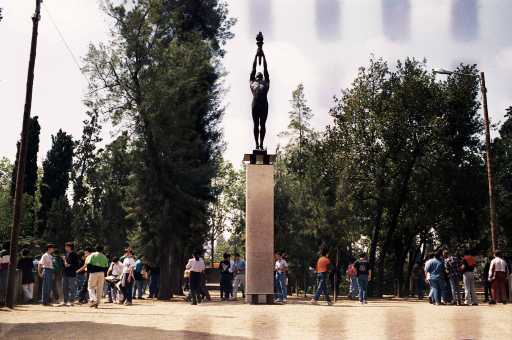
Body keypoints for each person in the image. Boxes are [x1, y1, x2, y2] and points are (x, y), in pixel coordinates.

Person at [249, 47, 270, 150]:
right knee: (256, 125)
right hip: (255, 105)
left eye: (261, 74)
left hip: (264, 105)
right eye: (258, 74)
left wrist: (264, 55)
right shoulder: (252, 82)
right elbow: (253, 68)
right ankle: (257, 144)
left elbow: (265, 69)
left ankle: (261, 144)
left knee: (263, 125)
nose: (259, 74)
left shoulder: (266, 82)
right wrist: (256, 55)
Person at [60, 242, 80, 307]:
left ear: (70, 247)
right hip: (65, 273)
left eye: (66, 247)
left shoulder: (74, 255)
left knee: (72, 288)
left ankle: (71, 301)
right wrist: (63, 262)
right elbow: (63, 265)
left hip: (72, 274)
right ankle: (65, 301)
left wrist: (69, 265)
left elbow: (77, 265)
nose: (65, 248)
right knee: (64, 288)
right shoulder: (65, 255)